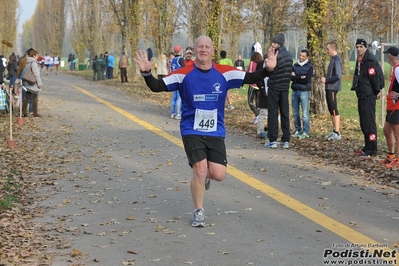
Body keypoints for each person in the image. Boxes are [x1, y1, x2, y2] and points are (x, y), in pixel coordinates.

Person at [133, 35, 277, 227]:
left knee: (218, 174)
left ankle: (202, 179)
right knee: (200, 170)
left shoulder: (224, 72)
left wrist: (268, 69)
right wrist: (146, 73)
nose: (203, 50)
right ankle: (199, 211)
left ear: (212, 50)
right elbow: (157, 86)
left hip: (215, 130)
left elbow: (251, 77)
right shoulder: (184, 73)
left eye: (207, 47)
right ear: (194, 50)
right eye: (199, 46)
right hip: (191, 128)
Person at [351, 39, 384, 157]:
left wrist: (376, 91)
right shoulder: (360, 60)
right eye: (357, 47)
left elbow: (375, 77)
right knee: (364, 122)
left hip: (369, 95)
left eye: (361, 47)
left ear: (365, 47)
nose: (359, 49)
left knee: (369, 123)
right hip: (361, 94)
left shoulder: (370, 60)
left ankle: (372, 147)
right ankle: (367, 146)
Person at [264, 33, 293, 149]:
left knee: (273, 112)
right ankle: (286, 139)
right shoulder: (290, 55)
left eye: (274, 42)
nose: (272, 44)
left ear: (278, 44)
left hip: (274, 86)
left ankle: (273, 139)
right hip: (285, 87)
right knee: (285, 113)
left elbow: (270, 69)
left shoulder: (275, 54)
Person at [380, 46, 399, 168]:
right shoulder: (395, 69)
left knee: (397, 134)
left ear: (391, 56)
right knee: (387, 130)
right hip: (391, 105)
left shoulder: (398, 69)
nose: (386, 57)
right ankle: (391, 156)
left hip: (396, 106)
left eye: (387, 55)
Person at [320, 41, 343, 141]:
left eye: (328, 49)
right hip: (329, 87)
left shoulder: (337, 60)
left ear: (333, 49)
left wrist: (327, 80)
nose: (327, 51)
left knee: (334, 109)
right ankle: (334, 131)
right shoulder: (332, 59)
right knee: (331, 109)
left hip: (333, 88)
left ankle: (337, 132)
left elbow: (337, 76)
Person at [291, 49, 313, 139]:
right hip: (295, 91)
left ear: (307, 57)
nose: (301, 57)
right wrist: (300, 77)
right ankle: (297, 129)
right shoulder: (295, 65)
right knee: (295, 113)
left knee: (304, 113)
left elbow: (306, 80)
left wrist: (296, 77)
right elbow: (290, 77)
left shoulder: (309, 67)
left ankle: (305, 131)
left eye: (303, 56)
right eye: (300, 55)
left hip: (304, 91)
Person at [22, 49, 43, 118]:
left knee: (27, 97)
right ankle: (35, 113)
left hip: (28, 82)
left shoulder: (28, 62)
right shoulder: (34, 63)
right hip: (33, 83)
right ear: (34, 55)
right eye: (37, 55)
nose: (38, 56)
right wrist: (39, 83)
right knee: (35, 98)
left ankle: (23, 112)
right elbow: (36, 74)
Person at [247, 52, 263, 124]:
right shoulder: (261, 65)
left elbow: (248, 73)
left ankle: (257, 115)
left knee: (250, 101)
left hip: (252, 85)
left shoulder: (251, 64)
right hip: (259, 85)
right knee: (258, 102)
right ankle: (258, 116)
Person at [169, 45, 185, 119]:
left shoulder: (172, 60)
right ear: (180, 50)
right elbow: (184, 69)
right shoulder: (181, 59)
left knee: (174, 97)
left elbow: (170, 70)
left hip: (173, 79)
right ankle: (178, 113)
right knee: (179, 97)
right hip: (179, 80)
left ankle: (173, 113)